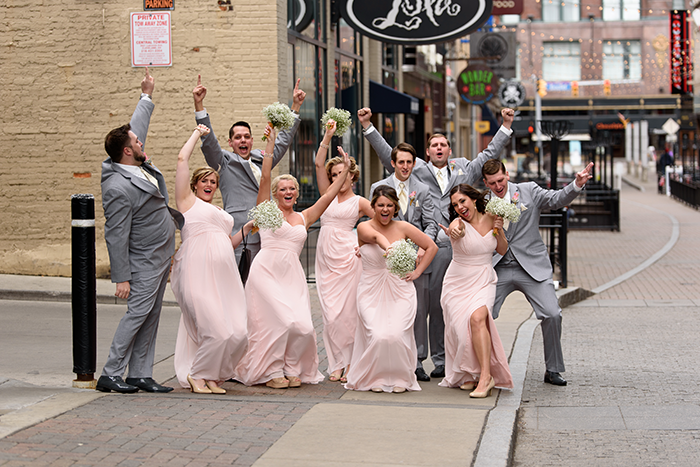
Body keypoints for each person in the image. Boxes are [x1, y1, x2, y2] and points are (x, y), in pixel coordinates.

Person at [359, 107, 515, 380]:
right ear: (427, 152)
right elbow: (389, 154)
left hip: (454, 251)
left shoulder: (465, 168)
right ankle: (418, 357)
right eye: (434, 144)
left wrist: (505, 126)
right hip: (422, 248)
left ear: (449, 149)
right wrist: (369, 127)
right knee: (418, 306)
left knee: (443, 308)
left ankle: (443, 360)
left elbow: (489, 154)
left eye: (443, 144)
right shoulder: (415, 167)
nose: (439, 147)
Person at [235, 126, 352, 389]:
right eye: (283, 189)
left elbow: (330, 195)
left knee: (301, 326)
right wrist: (270, 146)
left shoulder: (304, 217)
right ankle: (272, 371)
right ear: (276, 194)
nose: (288, 192)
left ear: (297, 193)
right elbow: (265, 176)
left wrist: (345, 169)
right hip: (266, 272)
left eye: (292, 189)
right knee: (278, 322)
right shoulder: (266, 211)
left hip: (292, 276)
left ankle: (291, 367)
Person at [97, 68, 183, 394]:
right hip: (143, 259)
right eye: (135, 141)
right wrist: (121, 277)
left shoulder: (134, 161)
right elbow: (115, 233)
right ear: (127, 151)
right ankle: (111, 372)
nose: (140, 139)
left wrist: (146, 94)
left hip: (161, 255)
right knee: (137, 314)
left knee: (152, 314)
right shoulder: (117, 186)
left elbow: (137, 127)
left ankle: (140, 373)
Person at [482, 159, 593, 386]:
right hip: (497, 267)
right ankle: (482, 370)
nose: (498, 186)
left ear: (508, 175)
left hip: (532, 266)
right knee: (480, 315)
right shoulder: (482, 202)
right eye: (492, 183)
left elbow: (556, 200)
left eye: (500, 180)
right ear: (486, 183)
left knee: (552, 314)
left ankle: (553, 369)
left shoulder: (528, 191)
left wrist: (576, 185)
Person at [171, 124, 252, 395]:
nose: (209, 185)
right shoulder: (187, 202)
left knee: (237, 332)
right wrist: (197, 133)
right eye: (204, 180)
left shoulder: (218, 210)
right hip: (197, 273)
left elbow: (227, 243)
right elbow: (182, 159)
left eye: (213, 182)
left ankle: (213, 375)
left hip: (224, 276)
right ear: (194, 184)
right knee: (215, 329)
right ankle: (198, 374)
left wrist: (247, 228)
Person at [193, 75, 306, 263]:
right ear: (230, 142)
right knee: (240, 284)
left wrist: (295, 107)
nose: (243, 140)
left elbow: (283, 141)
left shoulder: (262, 158)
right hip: (241, 234)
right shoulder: (224, 161)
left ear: (252, 140)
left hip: (269, 235)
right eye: (238, 137)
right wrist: (199, 106)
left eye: (246, 136)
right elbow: (209, 141)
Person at [344, 185, 438, 393]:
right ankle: (374, 378)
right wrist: (392, 250)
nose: (385, 209)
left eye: (389, 205)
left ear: (395, 207)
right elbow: (377, 238)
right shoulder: (363, 227)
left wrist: (418, 272)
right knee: (377, 334)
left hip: (400, 289)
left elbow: (432, 246)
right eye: (380, 205)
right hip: (371, 290)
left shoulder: (404, 227)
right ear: (373, 207)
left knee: (396, 335)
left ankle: (400, 378)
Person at [369, 143, 437, 382]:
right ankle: (385, 357)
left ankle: (417, 361)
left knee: (416, 311)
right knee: (385, 308)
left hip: (414, 258)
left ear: (414, 164)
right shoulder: (378, 188)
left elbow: (430, 222)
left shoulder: (423, 189)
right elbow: (372, 223)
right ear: (393, 164)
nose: (405, 166)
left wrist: (419, 247)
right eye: (401, 162)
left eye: (409, 162)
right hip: (384, 257)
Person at [438, 184, 513, 398]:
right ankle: (470, 373)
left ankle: (486, 377)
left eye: (462, 201)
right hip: (457, 282)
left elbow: (502, 249)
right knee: (461, 332)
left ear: (472, 199)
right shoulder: (458, 223)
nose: (460, 207)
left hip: (483, 278)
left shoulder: (492, 217)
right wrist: (455, 230)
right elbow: (456, 230)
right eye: (455, 205)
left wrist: (498, 229)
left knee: (478, 318)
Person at [314, 121, 374, 383]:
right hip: (325, 258)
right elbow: (318, 164)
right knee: (329, 314)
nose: (340, 176)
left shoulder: (359, 201)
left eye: (345, 172)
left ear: (352, 175)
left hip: (349, 259)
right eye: (335, 172)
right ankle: (335, 362)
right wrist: (327, 136)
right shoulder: (325, 195)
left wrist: (365, 245)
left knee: (348, 314)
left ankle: (351, 362)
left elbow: (382, 222)